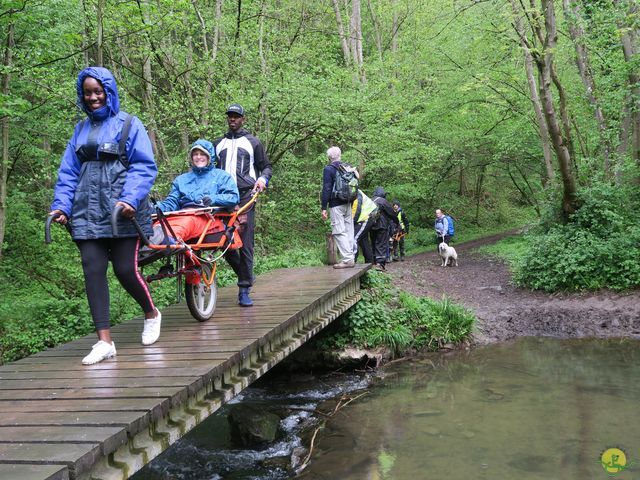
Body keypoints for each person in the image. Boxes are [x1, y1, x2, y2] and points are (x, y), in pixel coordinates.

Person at [49, 66, 160, 365]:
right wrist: (61, 206)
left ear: (108, 91)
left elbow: (144, 166)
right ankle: (104, 341)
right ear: (82, 95)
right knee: (92, 270)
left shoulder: (129, 124)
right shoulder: (80, 130)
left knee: (125, 270)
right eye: (88, 92)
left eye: (98, 91)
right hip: (86, 212)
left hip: (122, 211)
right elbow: (68, 172)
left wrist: (129, 198)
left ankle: (151, 312)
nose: (93, 97)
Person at [213, 104, 272, 307]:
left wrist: (263, 180)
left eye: (236, 116)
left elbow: (266, 167)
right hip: (222, 199)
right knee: (222, 241)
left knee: (246, 242)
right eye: (230, 116)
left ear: (243, 119)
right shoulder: (217, 144)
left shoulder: (253, 142)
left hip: (246, 196)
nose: (233, 119)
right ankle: (245, 274)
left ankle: (244, 290)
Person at [152, 139, 239, 242]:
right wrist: (155, 208)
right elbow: (172, 202)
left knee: (187, 222)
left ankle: (169, 238)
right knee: (160, 222)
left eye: (202, 154)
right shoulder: (181, 180)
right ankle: (152, 240)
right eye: (195, 154)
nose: (198, 157)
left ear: (209, 157)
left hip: (207, 217)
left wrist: (214, 198)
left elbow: (233, 197)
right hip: (182, 214)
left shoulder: (221, 176)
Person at [321, 146, 356, 269]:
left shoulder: (329, 169)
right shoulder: (347, 167)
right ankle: (350, 256)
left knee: (339, 231)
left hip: (336, 204)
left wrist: (324, 207)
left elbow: (326, 188)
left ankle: (347, 259)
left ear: (329, 157)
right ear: (340, 155)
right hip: (348, 202)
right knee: (348, 230)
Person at [369, 187, 398, 271]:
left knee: (373, 243)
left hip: (371, 225)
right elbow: (391, 213)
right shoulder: (383, 201)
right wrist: (396, 222)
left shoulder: (370, 200)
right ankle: (380, 264)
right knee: (381, 244)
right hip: (382, 226)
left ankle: (374, 262)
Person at [352, 189, 377, 264]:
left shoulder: (354, 191)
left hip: (365, 217)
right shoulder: (353, 189)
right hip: (367, 216)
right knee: (364, 241)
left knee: (354, 238)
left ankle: (352, 261)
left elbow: (356, 210)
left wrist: (352, 223)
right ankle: (369, 263)